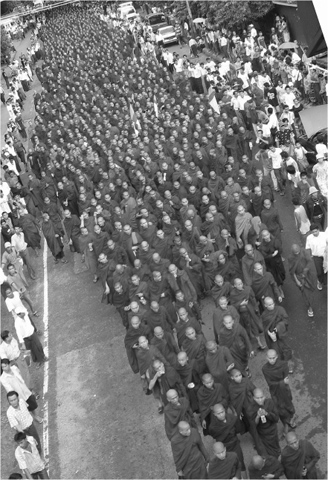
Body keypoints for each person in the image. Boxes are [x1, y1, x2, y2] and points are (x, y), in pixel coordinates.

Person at [262, 349, 296, 437]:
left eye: (273, 358)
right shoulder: (265, 369)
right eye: (270, 358)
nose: (272, 360)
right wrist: (282, 382)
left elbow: (286, 379)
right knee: (280, 408)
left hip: (284, 390)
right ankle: (286, 424)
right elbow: (270, 383)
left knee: (288, 405)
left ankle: (290, 419)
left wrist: (283, 383)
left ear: (277, 357)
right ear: (266, 358)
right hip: (275, 392)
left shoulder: (283, 364)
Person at [0, 359, 42, 424]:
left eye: (5, 366)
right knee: (23, 409)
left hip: (25, 391)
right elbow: (9, 389)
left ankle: (35, 416)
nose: (4, 368)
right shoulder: (3, 378)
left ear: (9, 364)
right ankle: (27, 421)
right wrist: (16, 398)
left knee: (32, 404)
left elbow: (21, 376)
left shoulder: (14, 368)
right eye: (2, 367)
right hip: (18, 396)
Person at [208, 403, 246, 474]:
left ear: (225, 410)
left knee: (241, 463)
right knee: (230, 466)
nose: (221, 415)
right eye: (218, 413)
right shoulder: (212, 427)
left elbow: (238, 429)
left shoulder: (232, 418)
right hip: (224, 447)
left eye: (222, 412)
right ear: (214, 414)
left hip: (235, 444)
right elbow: (215, 436)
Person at [261, 298, 293, 372]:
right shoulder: (264, 315)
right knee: (276, 352)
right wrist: (270, 333)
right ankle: (282, 367)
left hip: (281, 335)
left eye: (272, 303)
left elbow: (285, 320)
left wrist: (277, 329)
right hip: (272, 338)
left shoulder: (280, 309)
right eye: (269, 305)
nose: (272, 306)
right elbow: (265, 327)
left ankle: (288, 365)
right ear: (265, 305)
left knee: (285, 350)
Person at [247, 388, 281, 458]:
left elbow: (276, 418)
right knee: (267, 449)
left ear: (264, 396)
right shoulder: (250, 408)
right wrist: (257, 417)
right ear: (253, 398)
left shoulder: (270, 402)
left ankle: (278, 453)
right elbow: (253, 425)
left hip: (272, 430)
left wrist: (267, 414)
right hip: (263, 433)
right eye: (257, 398)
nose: (260, 400)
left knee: (275, 446)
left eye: (261, 397)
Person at [288, 244, 317, 317]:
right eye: (295, 253)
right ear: (292, 252)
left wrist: (305, 270)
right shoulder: (290, 258)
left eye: (298, 252)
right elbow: (292, 271)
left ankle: (311, 302)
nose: (297, 254)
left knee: (311, 289)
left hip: (308, 274)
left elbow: (309, 261)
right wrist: (297, 281)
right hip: (299, 277)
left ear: (299, 249)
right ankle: (310, 307)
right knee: (305, 293)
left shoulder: (304, 251)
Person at [305, 223, 326, 290]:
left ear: (318, 230)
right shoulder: (309, 238)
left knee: (326, 270)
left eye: (316, 231)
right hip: (316, 257)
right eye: (313, 232)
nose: (315, 233)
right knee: (319, 272)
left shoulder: (324, 235)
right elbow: (308, 248)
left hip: (325, 256)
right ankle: (319, 281)